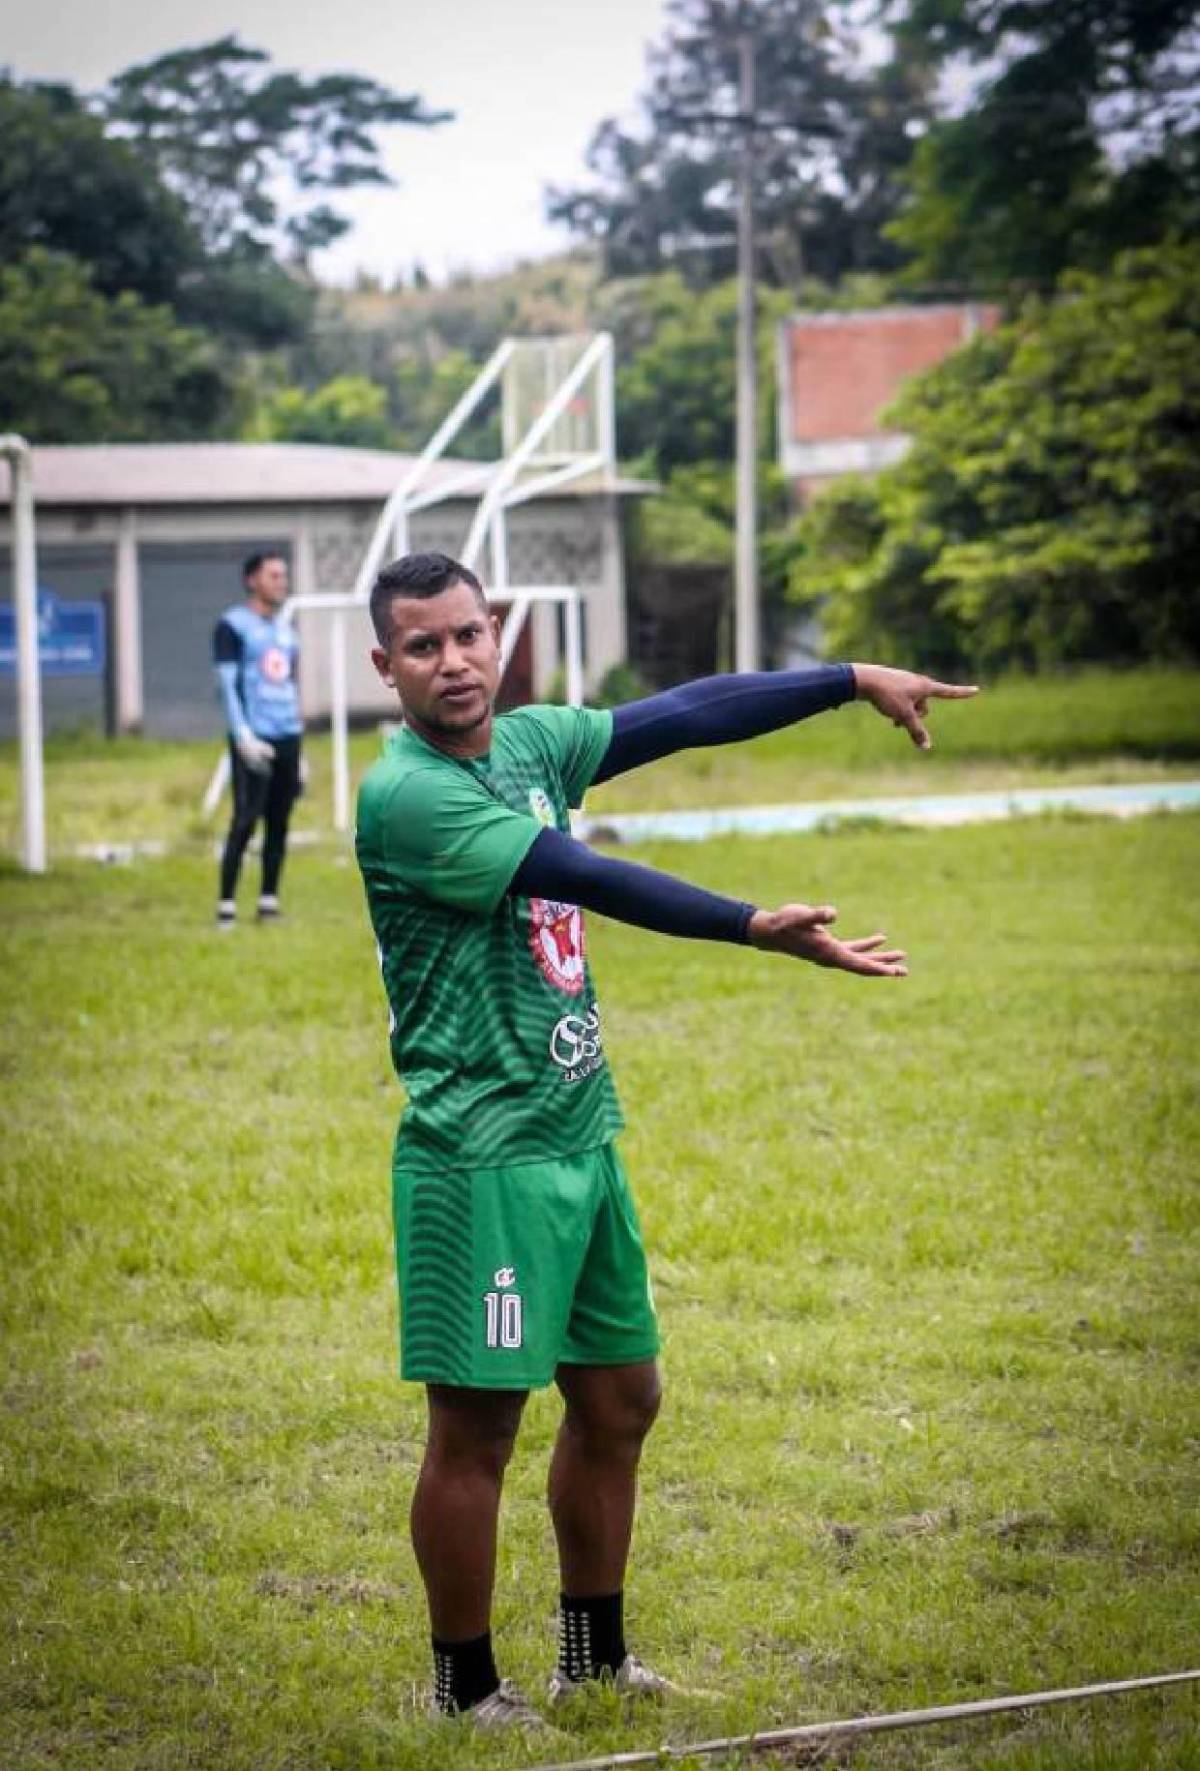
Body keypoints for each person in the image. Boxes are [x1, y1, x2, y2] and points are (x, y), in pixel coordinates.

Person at [354, 550, 976, 1732]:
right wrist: (752, 925)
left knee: (623, 1398)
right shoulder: (409, 794)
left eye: (470, 634)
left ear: (499, 636)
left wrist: (848, 676)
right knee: (478, 1426)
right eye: (424, 646)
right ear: (385, 667)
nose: (455, 662)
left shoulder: (530, 744)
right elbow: (578, 872)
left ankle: (595, 1661)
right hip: (481, 1153)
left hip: (581, 1128)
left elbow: (685, 714)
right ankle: (464, 1689)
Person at [212, 551, 304, 930]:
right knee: (246, 819)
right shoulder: (233, 626)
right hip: (254, 736)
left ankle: (268, 901)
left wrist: (301, 749)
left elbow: (289, 685)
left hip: (288, 735)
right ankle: (227, 905)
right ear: (253, 579)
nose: (282, 581)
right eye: (274, 575)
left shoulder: (287, 632)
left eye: (284, 575)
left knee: (280, 820)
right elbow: (228, 685)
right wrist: (242, 734)